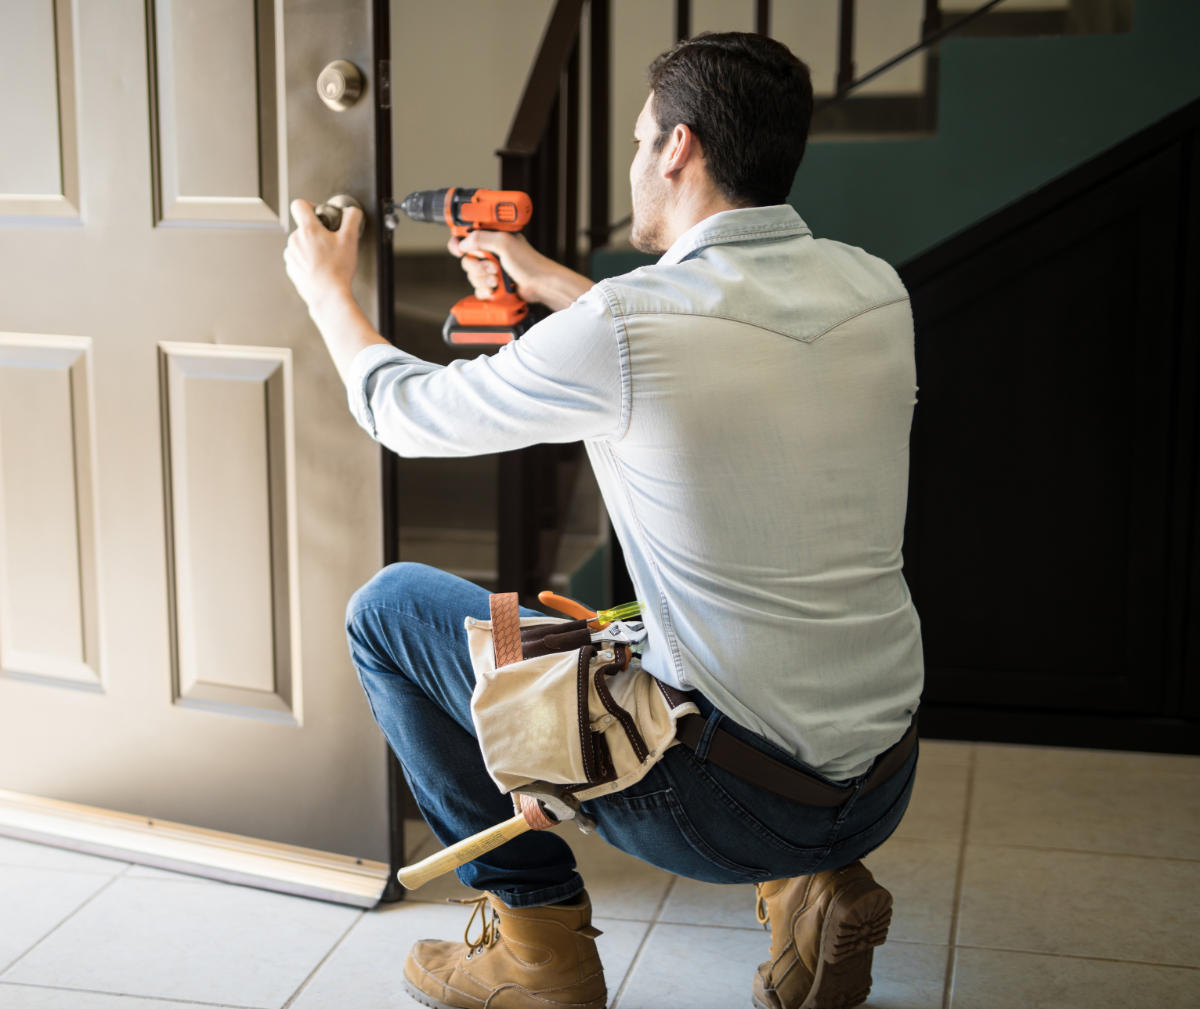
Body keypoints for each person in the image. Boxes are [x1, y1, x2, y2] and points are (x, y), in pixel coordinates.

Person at [284, 31, 923, 1009]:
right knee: (644, 627)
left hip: (721, 801)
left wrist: (330, 293)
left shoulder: (629, 324)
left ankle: (535, 946)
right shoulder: (874, 287)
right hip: (880, 779)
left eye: (637, 139)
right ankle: (816, 882)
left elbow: (404, 415)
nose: (634, 159)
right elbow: (702, 357)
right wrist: (547, 283)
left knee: (391, 606)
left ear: (679, 148)